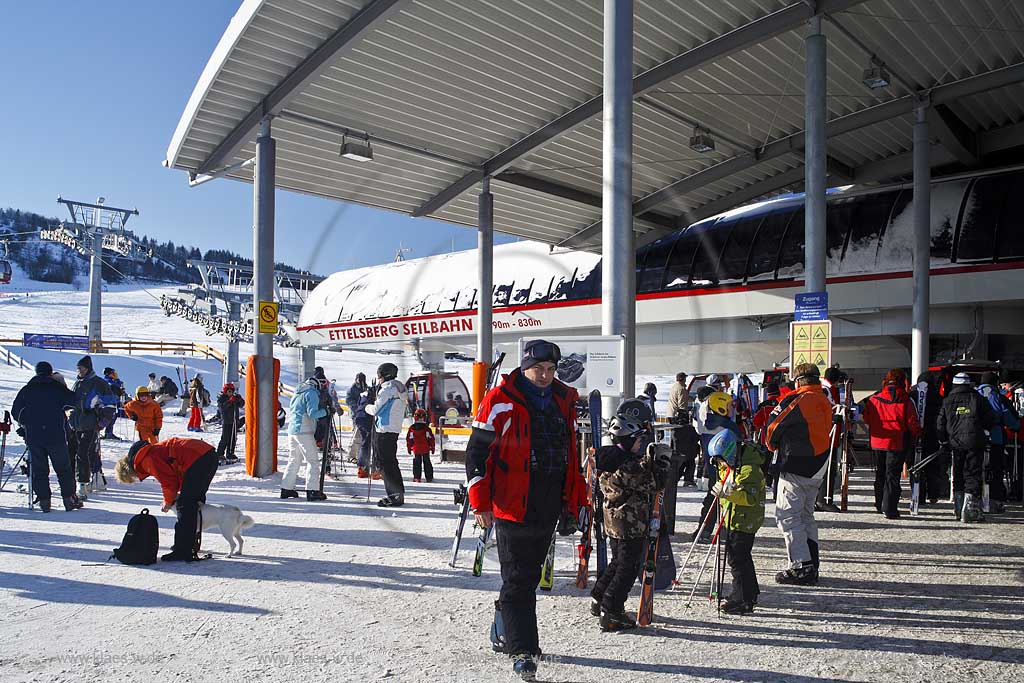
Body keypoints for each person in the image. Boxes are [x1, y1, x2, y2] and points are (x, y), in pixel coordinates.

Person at [466, 339, 588, 680]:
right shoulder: (500, 399)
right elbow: (477, 454)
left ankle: (505, 625)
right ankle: (523, 649)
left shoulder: (564, 400)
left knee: (528, 576)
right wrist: (480, 501)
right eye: (539, 370)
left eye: (550, 370)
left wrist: (574, 499)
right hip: (511, 502)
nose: (545, 376)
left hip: (548, 499)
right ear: (524, 366)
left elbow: (571, 457)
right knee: (518, 578)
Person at [589, 409, 671, 631]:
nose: (640, 444)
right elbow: (655, 484)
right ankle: (612, 609)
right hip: (629, 522)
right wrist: (662, 462)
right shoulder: (628, 466)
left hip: (615, 521)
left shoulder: (608, 458)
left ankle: (599, 596)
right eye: (637, 440)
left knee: (617, 561)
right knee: (627, 566)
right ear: (626, 440)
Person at [765, 363, 833, 585]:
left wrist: (771, 447)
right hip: (818, 465)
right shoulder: (823, 398)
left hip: (796, 463)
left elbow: (773, 426)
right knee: (805, 516)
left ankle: (801, 566)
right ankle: (811, 563)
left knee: (788, 516)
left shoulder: (798, 399)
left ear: (798, 380)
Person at [115, 438, 219, 562]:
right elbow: (175, 474)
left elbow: (169, 482)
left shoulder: (147, 460)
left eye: (133, 477)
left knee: (185, 505)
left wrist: (168, 502)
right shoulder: (148, 453)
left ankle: (182, 550)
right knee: (193, 501)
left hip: (199, 458)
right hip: (205, 454)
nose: (137, 478)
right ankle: (190, 544)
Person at [707, 429, 766, 615]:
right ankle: (749, 592)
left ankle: (742, 599)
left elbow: (750, 498)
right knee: (740, 557)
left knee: (737, 559)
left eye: (722, 460)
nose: (721, 465)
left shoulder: (749, 469)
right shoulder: (731, 465)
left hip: (744, 520)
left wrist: (728, 493)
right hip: (732, 517)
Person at [11, 361, 82, 512]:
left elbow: (16, 411)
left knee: (39, 469)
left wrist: (27, 422)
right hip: (56, 435)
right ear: (50, 373)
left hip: (34, 436)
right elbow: (74, 401)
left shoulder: (27, 390)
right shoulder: (57, 388)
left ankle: (44, 502)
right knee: (63, 468)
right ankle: (68, 499)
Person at [859, 369, 921, 519]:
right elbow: (912, 422)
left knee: (880, 473)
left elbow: (866, 418)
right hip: (896, 442)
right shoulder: (906, 400)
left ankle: (879, 504)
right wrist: (918, 433)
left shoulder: (874, 398)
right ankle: (890, 508)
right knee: (892, 475)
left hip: (877, 441)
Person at [938, 372, 997, 522]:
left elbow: (940, 423)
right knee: (973, 474)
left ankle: (958, 508)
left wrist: (944, 441)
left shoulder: (947, 401)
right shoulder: (979, 399)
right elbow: (990, 417)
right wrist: (985, 431)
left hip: (956, 442)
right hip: (974, 441)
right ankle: (970, 509)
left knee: (958, 473)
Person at [690, 391, 742, 544]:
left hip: (713, 468)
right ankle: (725, 531)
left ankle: (704, 530)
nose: (732, 409)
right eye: (729, 406)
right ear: (720, 407)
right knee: (726, 499)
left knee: (712, 496)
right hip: (727, 469)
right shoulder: (727, 427)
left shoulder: (707, 423)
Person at [70, 355, 116, 499]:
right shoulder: (78, 383)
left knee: (83, 453)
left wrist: (102, 423)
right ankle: (91, 479)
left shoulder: (98, 383)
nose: (79, 371)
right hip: (76, 423)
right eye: (78, 368)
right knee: (78, 452)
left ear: (88, 368)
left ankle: (83, 483)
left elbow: (110, 405)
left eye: (82, 368)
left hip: (91, 423)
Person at [365, 362, 408, 507]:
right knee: (390, 462)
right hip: (392, 429)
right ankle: (397, 493)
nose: (379, 379)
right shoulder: (398, 387)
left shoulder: (388, 389)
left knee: (385, 463)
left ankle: (394, 495)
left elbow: (375, 410)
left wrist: (366, 405)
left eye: (379, 376)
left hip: (384, 429)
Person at [977, 371, 1020, 514]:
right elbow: (1009, 417)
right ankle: (995, 501)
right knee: (996, 470)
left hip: (976, 438)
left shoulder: (973, 395)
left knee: (975, 469)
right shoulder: (998, 397)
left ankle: (974, 499)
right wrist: (1015, 426)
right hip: (996, 438)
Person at [281, 377, 328, 501]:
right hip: (304, 431)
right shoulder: (311, 393)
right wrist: (326, 411)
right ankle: (312, 490)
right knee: (312, 461)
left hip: (293, 431)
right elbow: (313, 413)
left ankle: (286, 488)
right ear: (316, 385)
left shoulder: (297, 393)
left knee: (294, 459)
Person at [910, 372, 945, 504]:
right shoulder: (938, 397)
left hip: (915, 435)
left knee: (916, 465)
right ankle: (933, 495)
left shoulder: (912, 395)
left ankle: (918, 494)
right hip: (933, 435)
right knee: (932, 466)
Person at [346, 373, 373, 475]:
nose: (360, 381)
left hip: (365, 415)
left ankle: (359, 455)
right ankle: (352, 455)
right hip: (357, 415)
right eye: (359, 379)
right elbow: (348, 400)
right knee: (357, 436)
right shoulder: (352, 389)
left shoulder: (366, 387)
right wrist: (357, 407)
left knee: (363, 437)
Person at [215, 383, 244, 464]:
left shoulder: (234, 398)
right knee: (225, 438)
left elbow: (241, 404)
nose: (230, 393)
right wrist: (229, 401)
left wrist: (240, 399)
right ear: (225, 391)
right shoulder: (222, 398)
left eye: (231, 391)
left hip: (234, 421)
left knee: (233, 438)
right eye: (229, 391)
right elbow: (222, 408)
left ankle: (230, 453)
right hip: (226, 421)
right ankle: (220, 453)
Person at [405, 408, 436, 483]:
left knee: (416, 462)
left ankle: (417, 477)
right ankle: (429, 477)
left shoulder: (412, 428)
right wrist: (432, 447)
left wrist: (409, 448)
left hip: (416, 448)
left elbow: (409, 439)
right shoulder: (426, 428)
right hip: (425, 448)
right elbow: (431, 438)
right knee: (427, 462)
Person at [101, 367, 127, 440]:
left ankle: (109, 432)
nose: (115, 374)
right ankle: (108, 433)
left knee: (113, 417)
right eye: (113, 373)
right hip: (110, 402)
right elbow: (116, 387)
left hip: (115, 401)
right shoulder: (108, 381)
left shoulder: (113, 380)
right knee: (111, 417)